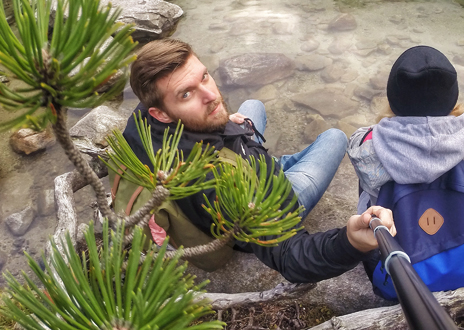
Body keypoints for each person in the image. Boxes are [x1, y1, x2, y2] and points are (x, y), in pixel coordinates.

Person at [118, 38, 395, 284]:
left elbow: (195, 105)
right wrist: (349, 243)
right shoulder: (215, 184)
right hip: (259, 199)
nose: (212, 95)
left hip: (246, 162)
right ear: (162, 113)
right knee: (334, 137)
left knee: (253, 106)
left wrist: (223, 123)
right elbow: (290, 256)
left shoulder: (145, 123)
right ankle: (284, 166)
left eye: (204, 77)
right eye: (187, 94)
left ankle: (273, 158)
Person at [347, 45, 464, 294]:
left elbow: (357, 139)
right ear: (453, 96)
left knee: (368, 186)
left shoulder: (367, 147)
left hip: (395, 271)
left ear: (393, 99)